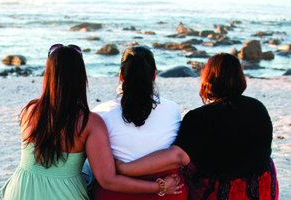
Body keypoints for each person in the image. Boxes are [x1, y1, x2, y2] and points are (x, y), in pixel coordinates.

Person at [0, 44, 183, 200]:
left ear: (48, 74)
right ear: (81, 77)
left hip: (19, 191)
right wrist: (159, 187)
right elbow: (108, 180)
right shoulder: (89, 122)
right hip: (63, 194)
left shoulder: (29, 110)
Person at [116, 53, 279, 200]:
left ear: (208, 78)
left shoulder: (202, 117)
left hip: (225, 192)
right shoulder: (259, 107)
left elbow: (178, 156)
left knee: (183, 167)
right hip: (263, 190)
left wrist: (127, 168)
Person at [83, 46, 188, 199]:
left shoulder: (101, 113)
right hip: (167, 193)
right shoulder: (173, 110)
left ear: (121, 76)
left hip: (115, 194)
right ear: (154, 75)